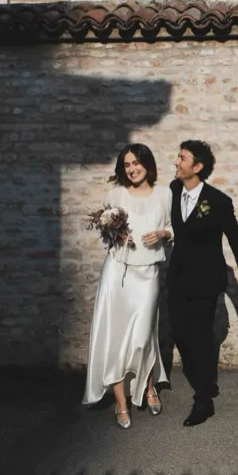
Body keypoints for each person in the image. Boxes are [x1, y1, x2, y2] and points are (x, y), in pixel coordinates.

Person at [82, 143, 172, 429]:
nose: (132, 169)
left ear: (147, 163)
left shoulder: (164, 194)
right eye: (127, 164)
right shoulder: (115, 195)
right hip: (117, 273)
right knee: (116, 337)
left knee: (142, 337)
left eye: (136, 163)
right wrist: (116, 235)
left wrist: (163, 234)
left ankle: (148, 386)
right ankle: (121, 402)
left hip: (148, 272)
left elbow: (175, 228)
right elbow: (106, 231)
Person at [167, 140, 238, 427]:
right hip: (178, 278)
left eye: (182, 158)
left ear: (198, 166)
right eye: (178, 156)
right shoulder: (173, 190)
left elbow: (237, 240)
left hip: (206, 281)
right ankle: (206, 381)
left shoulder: (218, 201)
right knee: (180, 334)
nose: (176, 162)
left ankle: (204, 400)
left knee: (201, 337)